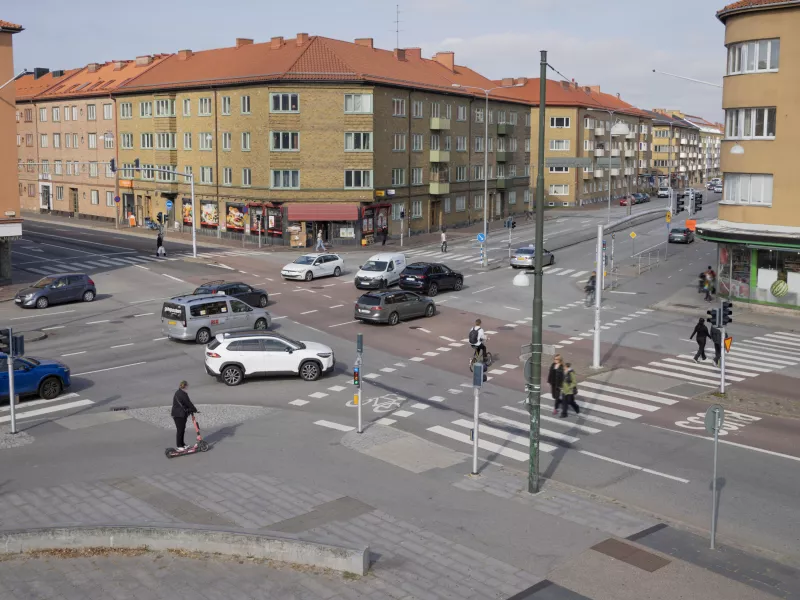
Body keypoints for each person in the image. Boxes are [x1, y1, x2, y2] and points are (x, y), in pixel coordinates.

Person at [171, 380, 198, 451]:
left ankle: (182, 444)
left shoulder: (178, 392)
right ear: (185, 386)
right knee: (180, 430)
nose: (187, 387)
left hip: (177, 414)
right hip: (179, 415)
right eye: (187, 386)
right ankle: (179, 445)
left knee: (182, 429)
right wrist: (195, 409)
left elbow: (184, 404)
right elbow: (188, 403)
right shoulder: (183, 394)